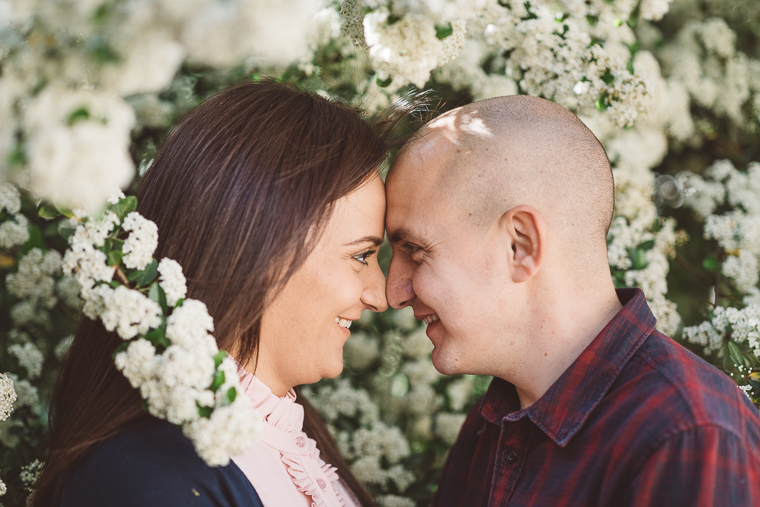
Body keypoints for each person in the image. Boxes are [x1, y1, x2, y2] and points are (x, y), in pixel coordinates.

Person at [32, 81, 397, 507]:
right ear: (263, 247)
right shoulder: (147, 477)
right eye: (361, 255)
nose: (380, 294)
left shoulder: (290, 436)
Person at [384, 95, 760, 506]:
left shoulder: (686, 433)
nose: (394, 291)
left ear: (520, 245)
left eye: (416, 252)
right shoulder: (489, 425)